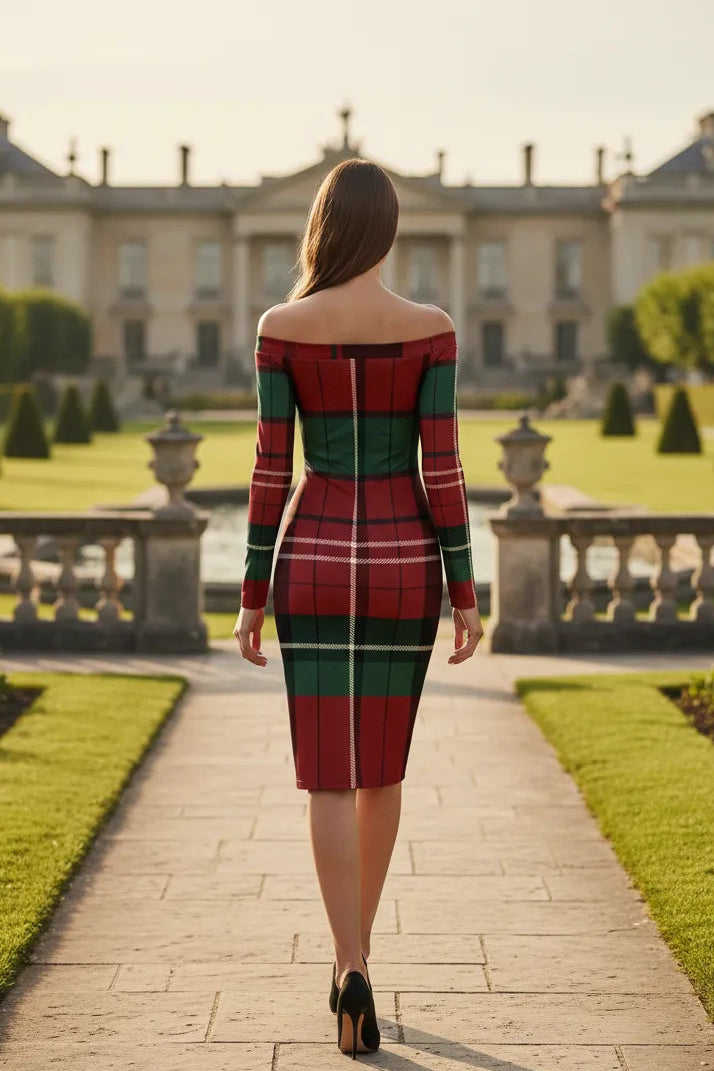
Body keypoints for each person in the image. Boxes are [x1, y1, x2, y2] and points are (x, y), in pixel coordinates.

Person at [234, 158, 483, 1058]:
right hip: (405, 560)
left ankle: (346, 960)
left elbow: (270, 471)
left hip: (312, 557)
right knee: (380, 769)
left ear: (321, 224)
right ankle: (364, 956)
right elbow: (443, 470)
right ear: (387, 231)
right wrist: (464, 588)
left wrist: (251, 592)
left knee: (326, 773)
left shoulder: (280, 326)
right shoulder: (431, 328)